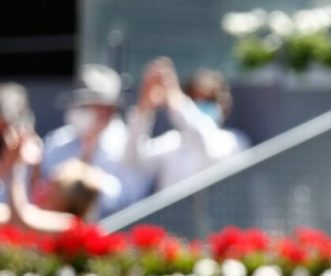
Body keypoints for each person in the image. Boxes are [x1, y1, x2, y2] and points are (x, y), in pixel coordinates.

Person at [124, 57, 249, 191]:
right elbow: (132, 162)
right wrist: (144, 108)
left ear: (223, 104)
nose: (199, 104)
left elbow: (202, 139)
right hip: (172, 213)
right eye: (194, 99)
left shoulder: (233, 142)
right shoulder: (172, 142)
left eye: (208, 99)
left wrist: (175, 96)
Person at [40, 63, 149, 217]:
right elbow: (43, 189)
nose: (102, 114)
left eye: (107, 109)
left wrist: (92, 177)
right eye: (94, 106)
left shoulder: (127, 143)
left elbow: (132, 197)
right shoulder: (58, 141)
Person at [1, 83, 110, 234]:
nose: (44, 188)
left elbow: (20, 219)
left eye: (54, 186)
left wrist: (15, 166)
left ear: (70, 199)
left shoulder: (71, 226)